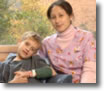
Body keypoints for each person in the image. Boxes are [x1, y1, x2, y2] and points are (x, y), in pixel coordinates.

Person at [38, 0, 96, 83]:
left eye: (61, 15)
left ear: (70, 16)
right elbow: (39, 65)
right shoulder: (47, 43)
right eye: (53, 17)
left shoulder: (86, 37)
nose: (57, 21)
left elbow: (90, 70)